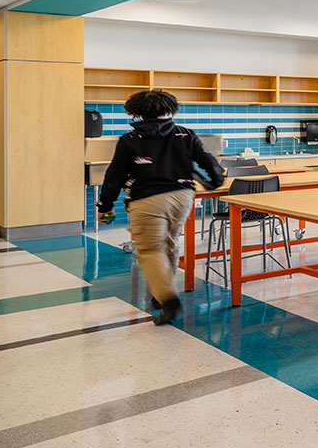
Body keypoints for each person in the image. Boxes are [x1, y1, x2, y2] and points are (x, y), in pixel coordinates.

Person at [96, 89, 225, 325]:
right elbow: (210, 162)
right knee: (170, 244)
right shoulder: (185, 134)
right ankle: (162, 292)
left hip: (148, 200)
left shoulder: (130, 140)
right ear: (169, 109)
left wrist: (105, 205)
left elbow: (114, 176)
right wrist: (216, 180)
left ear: (137, 113)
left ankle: (168, 299)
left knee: (151, 250)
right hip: (182, 198)